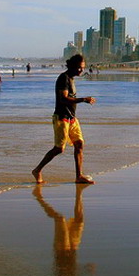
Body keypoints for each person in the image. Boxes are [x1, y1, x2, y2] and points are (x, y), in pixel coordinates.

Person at [33, 54, 96, 184]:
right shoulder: (64, 78)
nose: (81, 70)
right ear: (72, 66)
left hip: (72, 118)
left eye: (82, 68)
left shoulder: (71, 79)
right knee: (59, 148)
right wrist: (83, 99)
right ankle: (37, 170)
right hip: (61, 118)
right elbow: (63, 98)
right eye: (79, 67)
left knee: (79, 144)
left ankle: (79, 176)